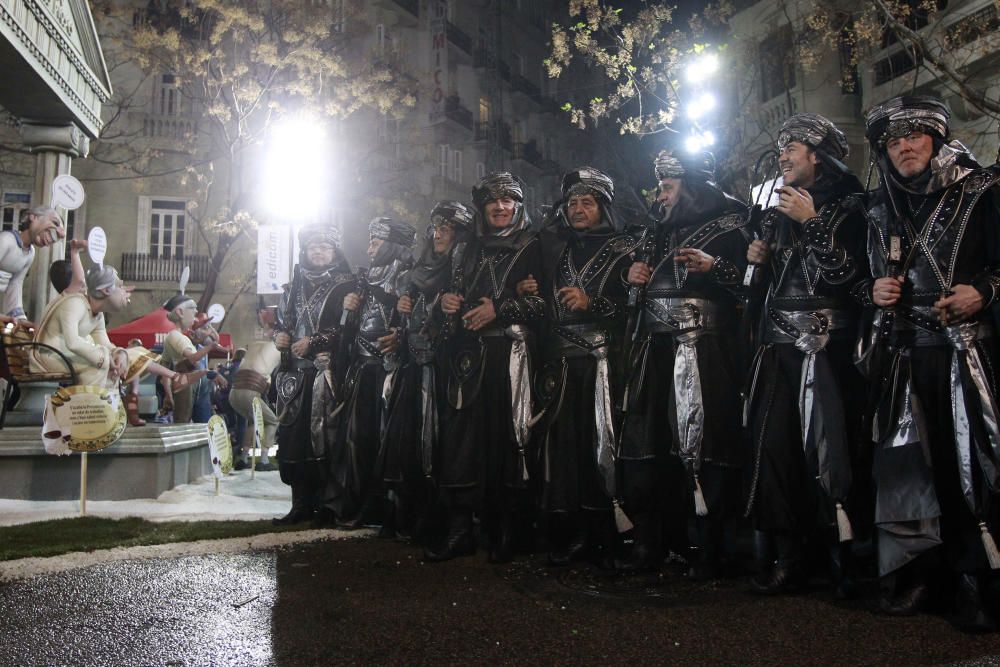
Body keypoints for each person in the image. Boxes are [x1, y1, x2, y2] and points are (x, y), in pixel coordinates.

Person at [863, 96, 1000, 632]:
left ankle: (981, 581)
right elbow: (863, 282)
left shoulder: (983, 192)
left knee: (978, 469)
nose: (904, 147)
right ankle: (930, 575)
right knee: (914, 472)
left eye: (915, 136)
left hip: (972, 353)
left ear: (938, 140)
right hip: (905, 355)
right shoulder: (882, 207)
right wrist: (874, 288)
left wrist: (984, 292)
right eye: (894, 141)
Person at [743, 113, 869, 596]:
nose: (782, 156)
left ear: (818, 156)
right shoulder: (774, 213)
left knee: (833, 449)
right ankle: (789, 557)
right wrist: (755, 263)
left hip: (830, 352)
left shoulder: (854, 206)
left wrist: (812, 223)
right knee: (776, 452)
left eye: (791, 148)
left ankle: (844, 560)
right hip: (778, 349)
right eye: (781, 149)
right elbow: (758, 290)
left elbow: (849, 278)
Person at [619, 151, 751, 575]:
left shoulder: (733, 223)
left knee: (706, 444)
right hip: (653, 351)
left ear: (691, 187)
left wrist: (717, 268)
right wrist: (632, 279)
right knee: (648, 443)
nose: (660, 194)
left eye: (668, 186)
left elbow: (752, 288)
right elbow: (634, 295)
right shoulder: (652, 232)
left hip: (706, 351)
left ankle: (712, 546)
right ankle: (654, 542)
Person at [424, 172, 545, 563]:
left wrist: (502, 308)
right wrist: (447, 303)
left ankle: (508, 531)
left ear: (518, 205)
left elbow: (547, 307)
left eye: (508, 199)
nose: (499, 206)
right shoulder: (467, 249)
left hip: (511, 359)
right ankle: (461, 531)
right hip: (467, 360)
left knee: (508, 441)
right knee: (461, 444)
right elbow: (451, 294)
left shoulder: (535, 246)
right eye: (492, 200)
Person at [529, 167, 638, 569]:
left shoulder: (625, 247)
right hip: (561, 362)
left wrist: (594, 303)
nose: (577, 209)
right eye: (572, 203)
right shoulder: (556, 248)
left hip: (603, 361)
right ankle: (574, 531)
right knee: (566, 450)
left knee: (603, 444)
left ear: (603, 207)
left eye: (587, 203)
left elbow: (635, 305)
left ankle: (610, 534)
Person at [384, 201, 475, 541]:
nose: (439, 234)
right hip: (413, 369)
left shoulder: (465, 270)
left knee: (443, 447)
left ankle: (441, 518)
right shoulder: (415, 272)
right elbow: (402, 322)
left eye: (447, 228)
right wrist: (401, 313)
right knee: (409, 442)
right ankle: (412, 514)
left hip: (448, 372)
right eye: (436, 227)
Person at [333, 217, 415, 528]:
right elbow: (349, 328)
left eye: (375, 243)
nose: (369, 249)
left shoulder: (409, 277)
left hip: (391, 372)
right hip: (363, 369)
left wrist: (400, 335)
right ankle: (359, 504)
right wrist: (349, 308)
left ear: (392, 245)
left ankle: (390, 510)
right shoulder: (363, 280)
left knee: (387, 441)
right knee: (357, 441)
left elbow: (413, 322)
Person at [272, 224, 355, 526]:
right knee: (294, 439)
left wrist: (316, 342)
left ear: (334, 251)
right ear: (305, 251)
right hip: (295, 376)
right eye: (313, 247)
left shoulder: (348, 286)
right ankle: (300, 504)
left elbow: (348, 327)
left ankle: (326, 505)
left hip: (327, 374)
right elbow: (282, 322)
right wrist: (279, 335)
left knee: (325, 439)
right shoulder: (292, 287)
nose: (319, 251)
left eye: (325, 246)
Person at [159, 296, 225, 424]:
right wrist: (211, 347)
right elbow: (193, 359)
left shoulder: (185, 339)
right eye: (193, 309)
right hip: (186, 381)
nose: (195, 312)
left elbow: (165, 368)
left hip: (199, 383)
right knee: (183, 422)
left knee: (204, 424)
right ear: (180, 312)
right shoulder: (175, 336)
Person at [0, 205, 65, 328]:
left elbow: (15, 283)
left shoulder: (30, 253)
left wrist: (19, 318)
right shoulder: (6, 240)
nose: (57, 233)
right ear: (33, 217)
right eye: (54, 222)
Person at [229, 312, 278, 472]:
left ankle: (243, 458)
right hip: (249, 393)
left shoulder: (255, 344)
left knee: (252, 421)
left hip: (234, 393)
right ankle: (263, 460)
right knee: (272, 421)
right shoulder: (278, 347)